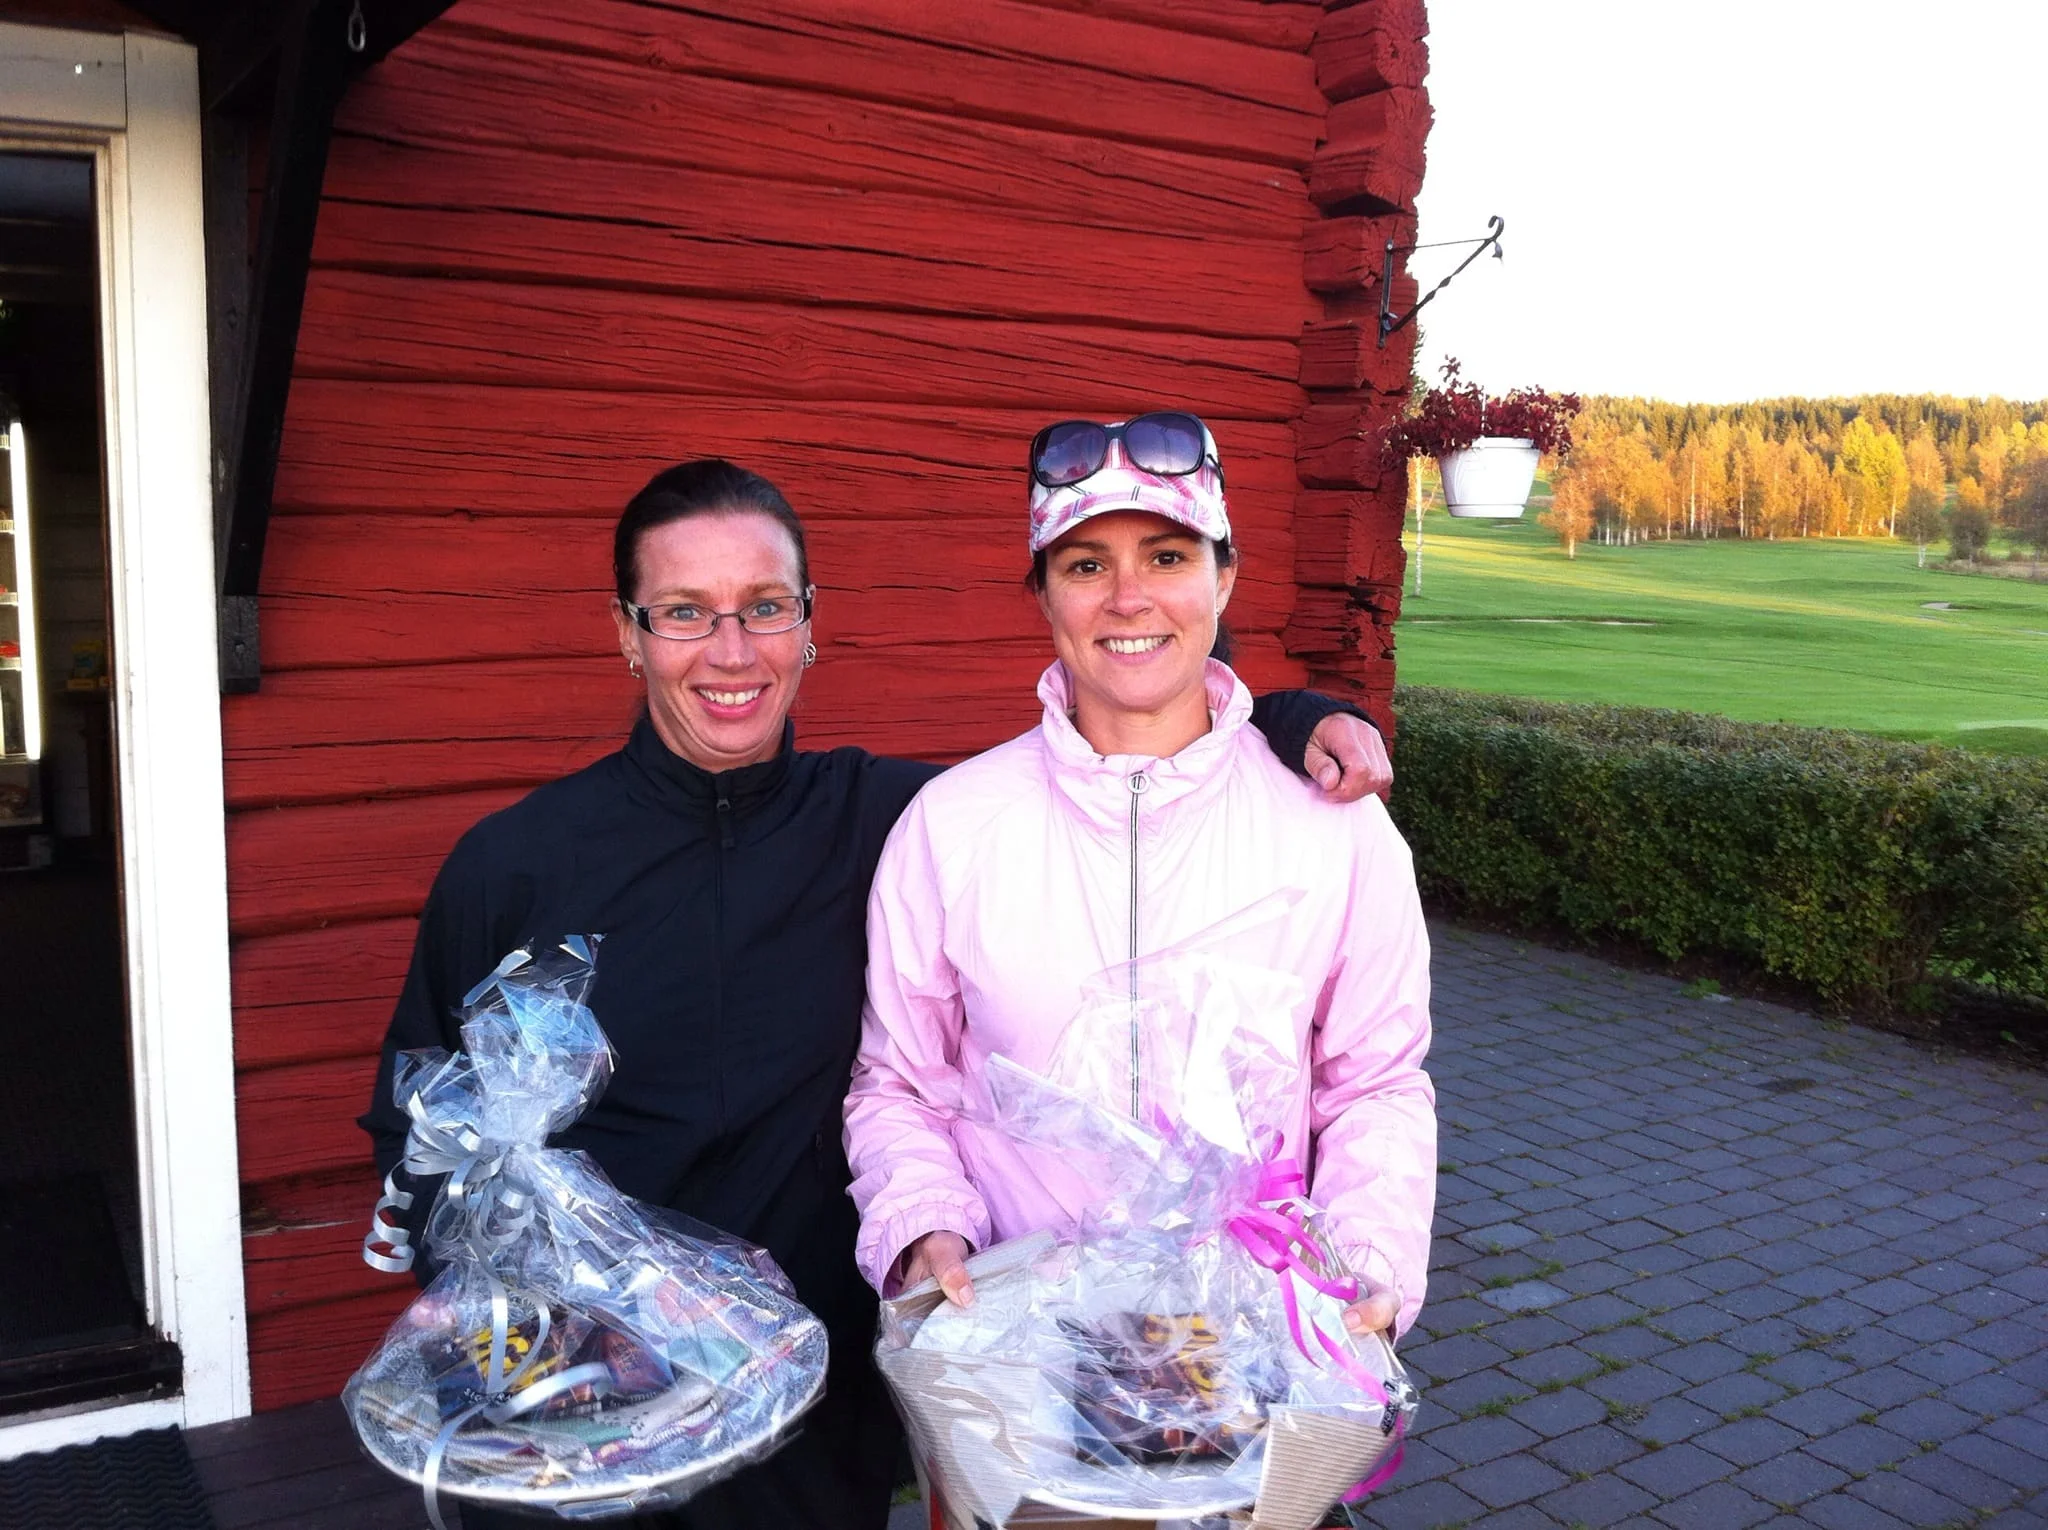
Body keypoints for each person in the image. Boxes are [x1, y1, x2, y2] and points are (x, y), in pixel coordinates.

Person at [359, 456, 1394, 1530]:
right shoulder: (512, 865)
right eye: (683, 613)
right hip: (577, 1415)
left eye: (763, 608)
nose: (730, 651)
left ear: (809, 625)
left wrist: (1283, 717)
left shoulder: (888, 819)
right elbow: (416, 1130)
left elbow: (1127, 744)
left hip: (807, 1414)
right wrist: (534, 1316)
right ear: (627, 632)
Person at [845, 413, 1436, 1357]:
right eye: (1085, 566)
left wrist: (1365, 1262)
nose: (1128, 598)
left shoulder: (1339, 827)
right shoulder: (952, 826)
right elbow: (899, 1084)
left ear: (1223, 577)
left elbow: (1373, 1083)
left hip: (1261, 1345)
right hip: (1014, 1342)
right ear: (1042, 594)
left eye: (1166, 556)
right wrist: (924, 1221)